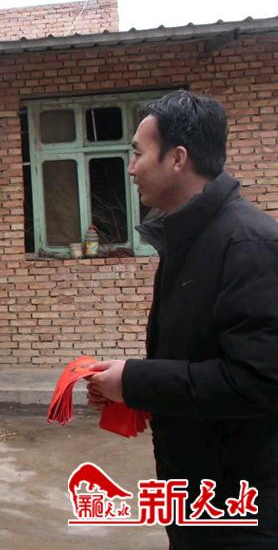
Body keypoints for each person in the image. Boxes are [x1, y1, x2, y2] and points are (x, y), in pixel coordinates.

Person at [87, 91, 278, 548]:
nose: (130, 169)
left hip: (242, 506)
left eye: (138, 153)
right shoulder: (190, 238)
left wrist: (136, 381)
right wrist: (129, 386)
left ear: (177, 158)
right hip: (195, 489)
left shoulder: (248, 245)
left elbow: (257, 381)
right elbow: (196, 353)